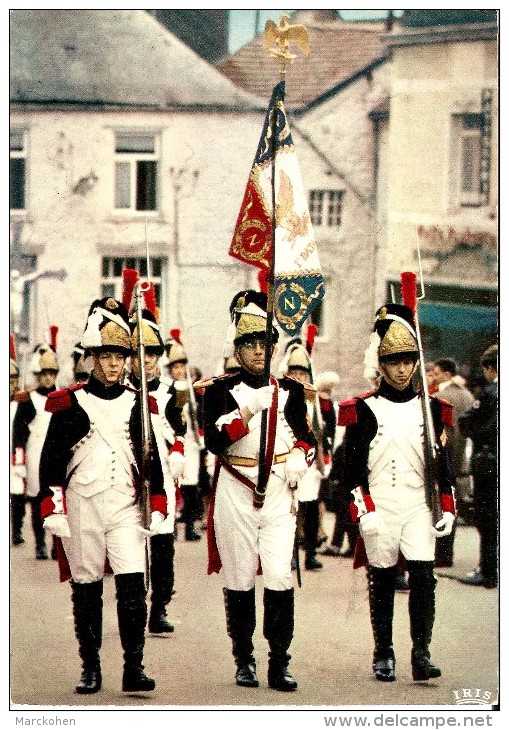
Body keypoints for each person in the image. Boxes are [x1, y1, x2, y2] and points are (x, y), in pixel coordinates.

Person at [39, 297, 168, 695]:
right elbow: (50, 463)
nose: (113, 364)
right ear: (91, 358)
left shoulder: (137, 402)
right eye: (105, 356)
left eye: (120, 356)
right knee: (88, 586)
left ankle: (134, 668)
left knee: (132, 586)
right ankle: (90, 667)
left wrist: (160, 505)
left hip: (125, 506)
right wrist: (52, 507)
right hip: (83, 507)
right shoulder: (69, 404)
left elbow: (151, 460)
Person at [201, 290, 317, 691]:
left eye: (264, 344)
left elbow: (307, 437)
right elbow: (215, 441)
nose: (257, 352)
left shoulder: (291, 391)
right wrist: (248, 409)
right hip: (237, 488)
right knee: (239, 578)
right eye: (249, 344)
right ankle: (244, 658)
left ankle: (279, 661)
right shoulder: (219, 391)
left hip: (280, 493)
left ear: (273, 347)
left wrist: (302, 455)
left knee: (280, 575)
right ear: (237, 348)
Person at [338, 302, 456, 683]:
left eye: (408, 360)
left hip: (418, 504)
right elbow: (350, 471)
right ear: (381, 364)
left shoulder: (433, 408)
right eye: (394, 361)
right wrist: (364, 510)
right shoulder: (362, 409)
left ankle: (421, 652)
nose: (403, 369)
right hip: (381, 506)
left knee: (424, 576)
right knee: (383, 578)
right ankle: (383, 651)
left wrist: (449, 506)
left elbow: (443, 464)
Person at [128, 307, 187, 633]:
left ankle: (159, 606)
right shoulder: (122, 391)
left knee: (163, 546)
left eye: (151, 353)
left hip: (162, 473)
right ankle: (135, 605)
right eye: (140, 353)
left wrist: (178, 452)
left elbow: (178, 430)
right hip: (129, 474)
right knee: (133, 546)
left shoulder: (170, 392)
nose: (146, 359)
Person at [12, 337, 60, 560]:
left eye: (52, 373)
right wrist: (19, 461)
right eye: (44, 373)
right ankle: (40, 543)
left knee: (57, 503)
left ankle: (55, 544)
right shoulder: (28, 400)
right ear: (38, 375)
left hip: (56, 455)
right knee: (37, 502)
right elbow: (19, 434)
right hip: (34, 455)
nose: (48, 377)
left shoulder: (62, 398)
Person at [279, 338, 323, 570]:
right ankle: (291, 553)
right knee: (290, 512)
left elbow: (324, 430)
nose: (299, 377)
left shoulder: (316, 400)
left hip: (312, 465)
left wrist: (324, 460)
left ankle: (311, 553)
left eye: (302, 373)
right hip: (288, 462)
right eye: (294, 373)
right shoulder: (281, 399)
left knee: (311, 510)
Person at [457, 344, 498, 589]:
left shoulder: (491, 393)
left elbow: (468, 422)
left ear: (490, 368)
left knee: (486, 518)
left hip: (488, 462)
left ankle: (488, 570)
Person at [431, 358, 475, 567]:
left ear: (447, 374)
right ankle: (446, 555)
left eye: (437, 373)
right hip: (460, 463)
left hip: (443, 459)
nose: (435, 376)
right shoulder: (467, 395)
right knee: (452, 510)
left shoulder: (439, 398)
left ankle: (440, 555)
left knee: (440, 507)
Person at [163, 332, 203, 541]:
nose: (179, 371)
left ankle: (189, 526)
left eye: (181, 367)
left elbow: (196, 415)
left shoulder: (190, 388)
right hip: (174, 441)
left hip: (190, 441)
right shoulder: (166, 389)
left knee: (190, 486)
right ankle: (172, 526)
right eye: (175, 367)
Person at [10, 335, 26, 546]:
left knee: (17, 495)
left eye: (14, 379)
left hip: (15, 455)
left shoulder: (23, 402)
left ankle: (17, 529)